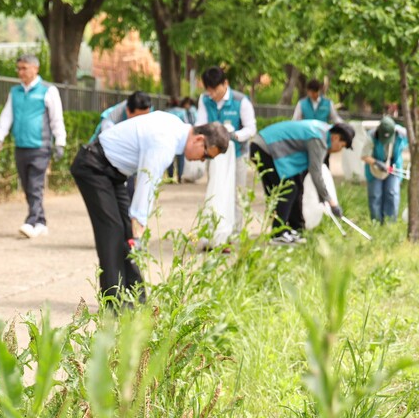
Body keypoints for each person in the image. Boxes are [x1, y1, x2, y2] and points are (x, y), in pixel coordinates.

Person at [70, 111, 229, 303]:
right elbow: (147, 184)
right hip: (93, 166)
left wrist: (135, 229)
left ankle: (137, 300)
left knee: (127, 233)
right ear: (199, 139)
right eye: (206, 155)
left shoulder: (174, 127)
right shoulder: (165, 142)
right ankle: (113, 304)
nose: (202, 160)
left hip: (113, 173)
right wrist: (139, 225)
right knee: (112, 232)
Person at [0, 55, 66, 238]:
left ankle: (31, 222)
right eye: (18, 68)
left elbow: (57, 119)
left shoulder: (48, 90)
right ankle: (41, 222)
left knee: (35, 185)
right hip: (20, 146)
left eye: (24, 68)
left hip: (40, 146)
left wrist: (60, 142)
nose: (20, 72)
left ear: (35, 69)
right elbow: (7, 116)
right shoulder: (15, 92)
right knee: (27, 186)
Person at [250, 120, 354, 244]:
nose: (339, 150)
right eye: (341, 146)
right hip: (265, 147)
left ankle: (295, 229)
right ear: (336, 137)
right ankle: (278, 234)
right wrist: (331, 202)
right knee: (288, 189)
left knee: (296, 187)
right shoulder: (318, 139)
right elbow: (316, 173)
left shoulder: (322, 132)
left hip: (266, 147)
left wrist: (323, 198)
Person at [195, 66, 256, 234]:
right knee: (216, 189)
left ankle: (235, 232)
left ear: (225, 83)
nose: (213, 94)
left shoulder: (240, 101)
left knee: (237, 193)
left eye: (216, 90)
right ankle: (216, 230)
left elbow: (251, 129)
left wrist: (233, 135)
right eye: (209, 91)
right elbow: (200, 124)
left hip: (237, 154)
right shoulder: (204, 100)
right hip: (214, 155)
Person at [362, 116, 408, 223]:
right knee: (375, 194)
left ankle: (390, 222)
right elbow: (364, 156)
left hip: (394, 166)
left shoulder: (401, 134)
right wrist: (377, 163)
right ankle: (376, 222)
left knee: (392, 193)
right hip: (374, 168)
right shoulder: (372, 135)